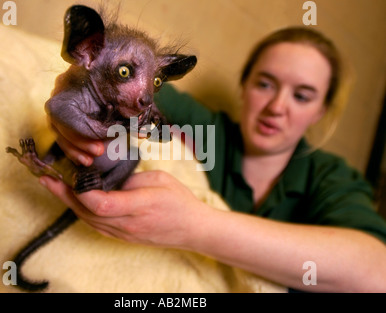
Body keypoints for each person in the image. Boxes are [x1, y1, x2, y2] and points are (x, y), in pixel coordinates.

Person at [39, 27, 386, 292]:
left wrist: (196, 227)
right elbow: (116, 76)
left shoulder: (330, 176)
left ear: (320, 112)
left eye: (302, 96)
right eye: (265, 84)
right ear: (244, 85)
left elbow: (377, 271)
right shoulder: (205, 128)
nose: (277, 107)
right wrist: (68, 95)